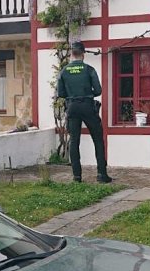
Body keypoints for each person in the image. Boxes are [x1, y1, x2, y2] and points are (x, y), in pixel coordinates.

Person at [57, 41, 112, 183]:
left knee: (74, 141)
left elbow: (61, 93)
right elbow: (98, 90)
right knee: (98, 139)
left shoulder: (64, 71)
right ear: (83, 54)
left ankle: (77, 176)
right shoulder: (89, 69)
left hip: (72, 107)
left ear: (71, 54)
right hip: (88, 106)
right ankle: (101, 174)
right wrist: (87, 93)